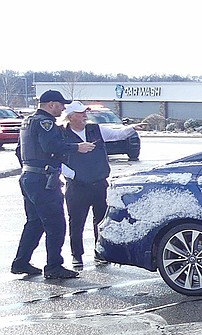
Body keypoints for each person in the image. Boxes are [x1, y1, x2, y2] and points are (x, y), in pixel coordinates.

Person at [11, 90, 95, 279]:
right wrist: (77, 148)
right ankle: (54, 267)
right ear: (51, 104)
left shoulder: (28, 122)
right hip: (43, 181)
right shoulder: (45, 123)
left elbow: (19, 151)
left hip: (29, 177)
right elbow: (51, 147)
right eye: (61, 104)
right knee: (56, 224)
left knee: (35, 223)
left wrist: (31, 167)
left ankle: (21, 262)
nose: (63, 108)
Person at [59, 102, 143, 267]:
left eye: (85, 113)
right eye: (81, 113)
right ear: (70, 117)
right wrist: (73, 175)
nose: (85, 116)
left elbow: (117, 135)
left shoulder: (95, 129)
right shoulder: (61, 134)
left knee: (102, 221)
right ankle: (77, 255)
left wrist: (133, 128)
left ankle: (100, 252)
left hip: (99, 184)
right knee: (76, 222)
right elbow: (56, 159)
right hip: (77, 187)